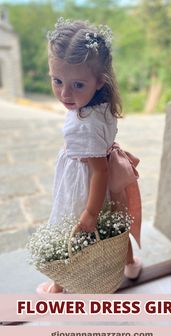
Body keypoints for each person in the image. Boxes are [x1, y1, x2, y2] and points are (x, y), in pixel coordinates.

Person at [37, 17, 142, 293]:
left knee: (67, 227)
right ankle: (130, 264)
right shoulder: (101, 103)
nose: (64, 93)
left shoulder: (83, 123)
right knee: (118, 225)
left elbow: (99, 171)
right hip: (104, 177)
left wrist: (90, 212)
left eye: (77, 85)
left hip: (85, 186)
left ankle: (58, 287)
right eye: (57, 80)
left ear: (98, 81)